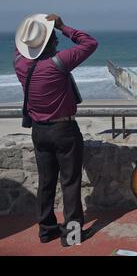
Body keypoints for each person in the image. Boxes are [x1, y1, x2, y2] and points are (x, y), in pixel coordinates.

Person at [14, 14, 98, 246]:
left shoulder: (20, 64)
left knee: (46, 182)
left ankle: (46, 230)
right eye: (55, 40)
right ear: (50, 41)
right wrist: (62, 26)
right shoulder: (58, 63)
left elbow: (21, 48)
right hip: (64, 130)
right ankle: (71, 236)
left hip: (39, 131)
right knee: (70, 183)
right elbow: (90, 43)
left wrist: (37, 33)